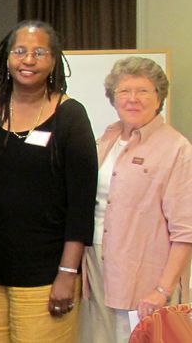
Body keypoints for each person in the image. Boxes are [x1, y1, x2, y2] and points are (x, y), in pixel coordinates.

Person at [0, 21, 96, 343]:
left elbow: (82, 204)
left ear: (54, 60)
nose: (28, 60)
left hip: (46, 274)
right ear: (6, 58)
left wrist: (68, 274)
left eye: (39, 53)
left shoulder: (71, 117)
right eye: (20, 51)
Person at [78, 57, 192, 343]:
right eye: (124, 91)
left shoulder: (177, 149)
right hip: (97, 269)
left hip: (147, 279)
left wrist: (162, 290)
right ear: (113, 98)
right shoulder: (107, 138)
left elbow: (185, 231)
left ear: (159, 97)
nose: (132, 99)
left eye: (143, 91)